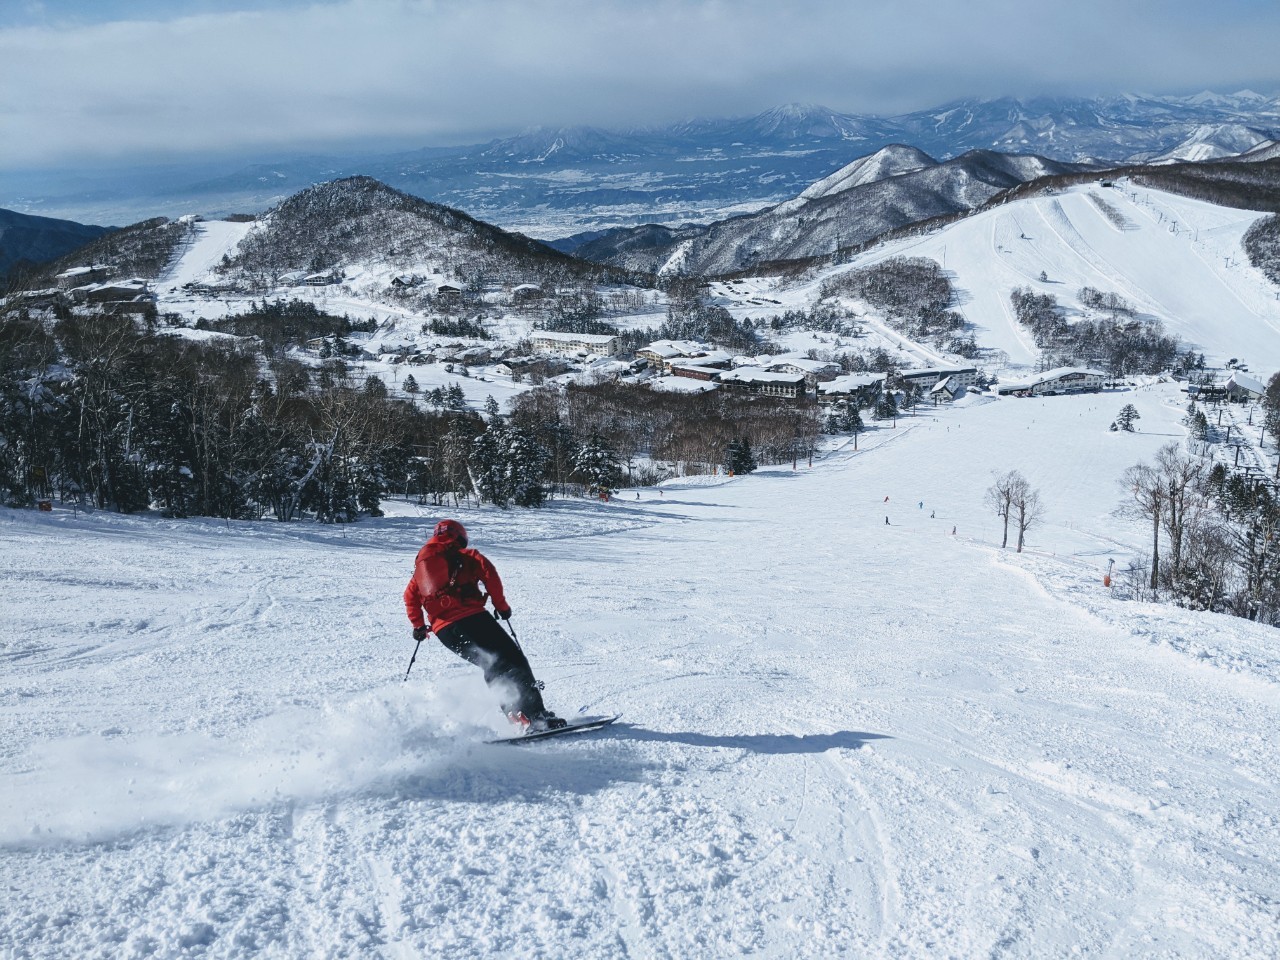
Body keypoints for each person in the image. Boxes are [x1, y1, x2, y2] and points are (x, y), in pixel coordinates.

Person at [404, 519, 565, 732]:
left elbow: (409, 597)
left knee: (492, 664)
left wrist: (419, 626)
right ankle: (536, 716)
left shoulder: (421, 571)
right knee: (512, 659)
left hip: (445, 632)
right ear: (460, 537)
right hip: (472, 619)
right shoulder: (468, 557)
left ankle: (517, 716)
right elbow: (490, 575)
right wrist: (502, 607)